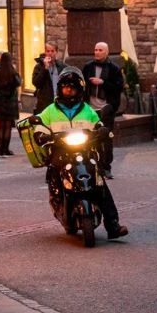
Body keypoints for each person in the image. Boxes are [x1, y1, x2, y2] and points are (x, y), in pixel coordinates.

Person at [35, 67, 129, 239]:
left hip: (84, 152)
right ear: (60, 89)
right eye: (65, 87)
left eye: (72, 87)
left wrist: (101, 130)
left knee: (100, 185)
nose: (68, 90)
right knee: (55, 173)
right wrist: (40, 133)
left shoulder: (87, 109)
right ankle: (58, 201)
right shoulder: (51, 110)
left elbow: (97, 123)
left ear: (79, 89)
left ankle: (113, 226)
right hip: (60, 152)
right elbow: (40, 123)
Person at [82, 41, 125, 179]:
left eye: (100, 50)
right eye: (95, 49)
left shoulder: (114, 68)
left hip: (105, 109)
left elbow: (119, 87)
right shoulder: (88, 67)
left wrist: (103, 83)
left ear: (106, 52)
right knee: (88, 138)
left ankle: (106, 167)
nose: (97, 52)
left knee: (106, 139)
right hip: (90, 108)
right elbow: (81, 84)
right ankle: (91, 166)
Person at [0, 52, 22, 157]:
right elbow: (18, 82)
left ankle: (0, 149)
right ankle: (6, 149)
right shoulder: (12, 71)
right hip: (10, 103)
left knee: (1, 127)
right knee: (7, 127)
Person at [32, 42, 67, 114]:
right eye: (48, 51)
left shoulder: (61, 66)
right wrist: (45, 68)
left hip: (59, 103)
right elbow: (36, 83)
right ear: (45, 52)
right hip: (45, 104)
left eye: (52, 51)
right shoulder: (39, 67)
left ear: (56, 52)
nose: (50, 53)